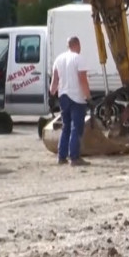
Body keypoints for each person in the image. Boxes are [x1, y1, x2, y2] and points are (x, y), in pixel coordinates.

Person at [49, 36, 93, 167]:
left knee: (66, 126)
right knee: (76, 128)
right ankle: (74, 157)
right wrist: (88, 97)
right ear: (77, 45)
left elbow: (54, 81)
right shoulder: (79, 59)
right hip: (77, 98)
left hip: (63, 96)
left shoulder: (58, 59)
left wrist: (52, 95)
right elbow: (83, 80)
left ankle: (61, 157)